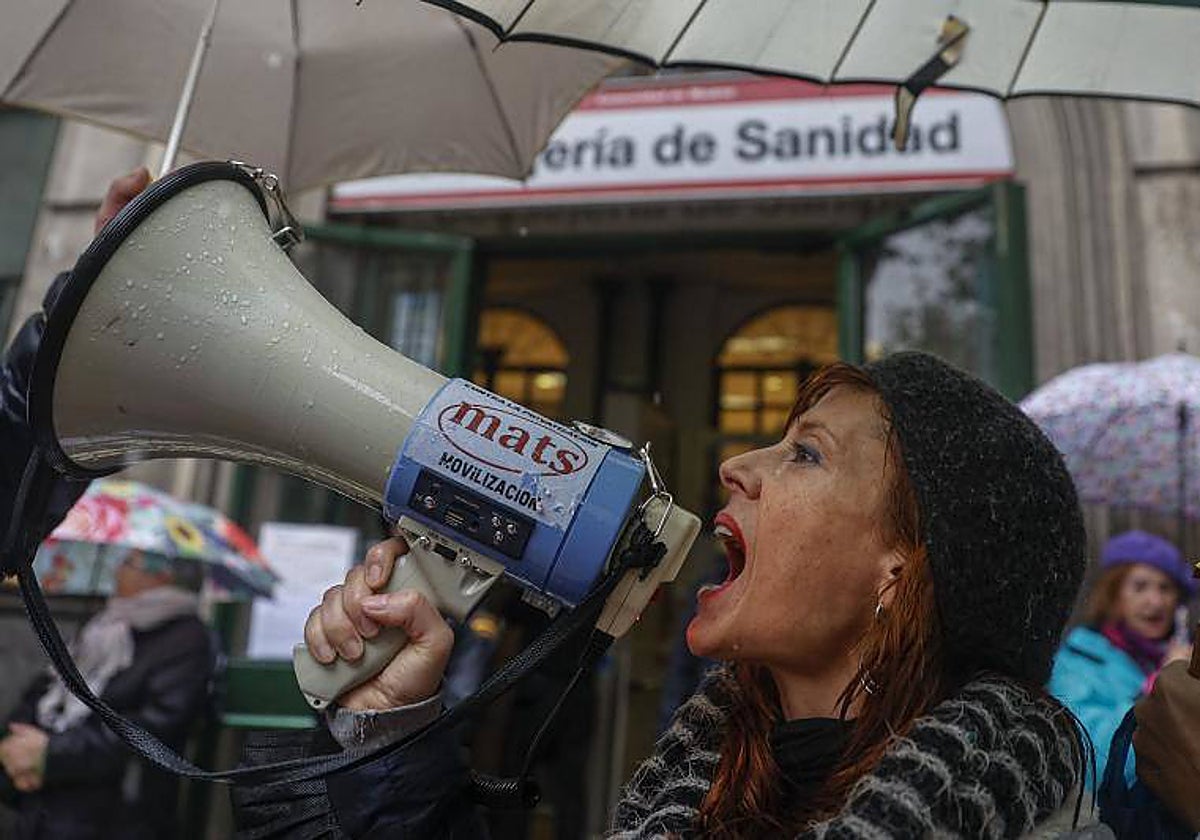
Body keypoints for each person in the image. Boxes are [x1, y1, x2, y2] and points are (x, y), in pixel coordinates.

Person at [236, 352, 1097, 838]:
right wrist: (393, 727)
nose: (737, 469)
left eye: (807, 454)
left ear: (900, 572)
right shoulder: (698, 783)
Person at [0, 546, 215, 839]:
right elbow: (46, 687)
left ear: (161, 575)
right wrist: (16, 744)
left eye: (128, 563)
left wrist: (50, 754)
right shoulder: (104, 625)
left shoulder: (186, 640)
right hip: (45, 805)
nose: (117, 570)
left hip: (113, 817)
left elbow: (151, 729)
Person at [1048, 530, 1196, 785]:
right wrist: (1160, 690)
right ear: (1114, 595)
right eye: (1140, 587)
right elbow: (1096, 758)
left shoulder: (1184, 654)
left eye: (1166, 588)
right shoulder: (1078, 661)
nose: (1156, 601)